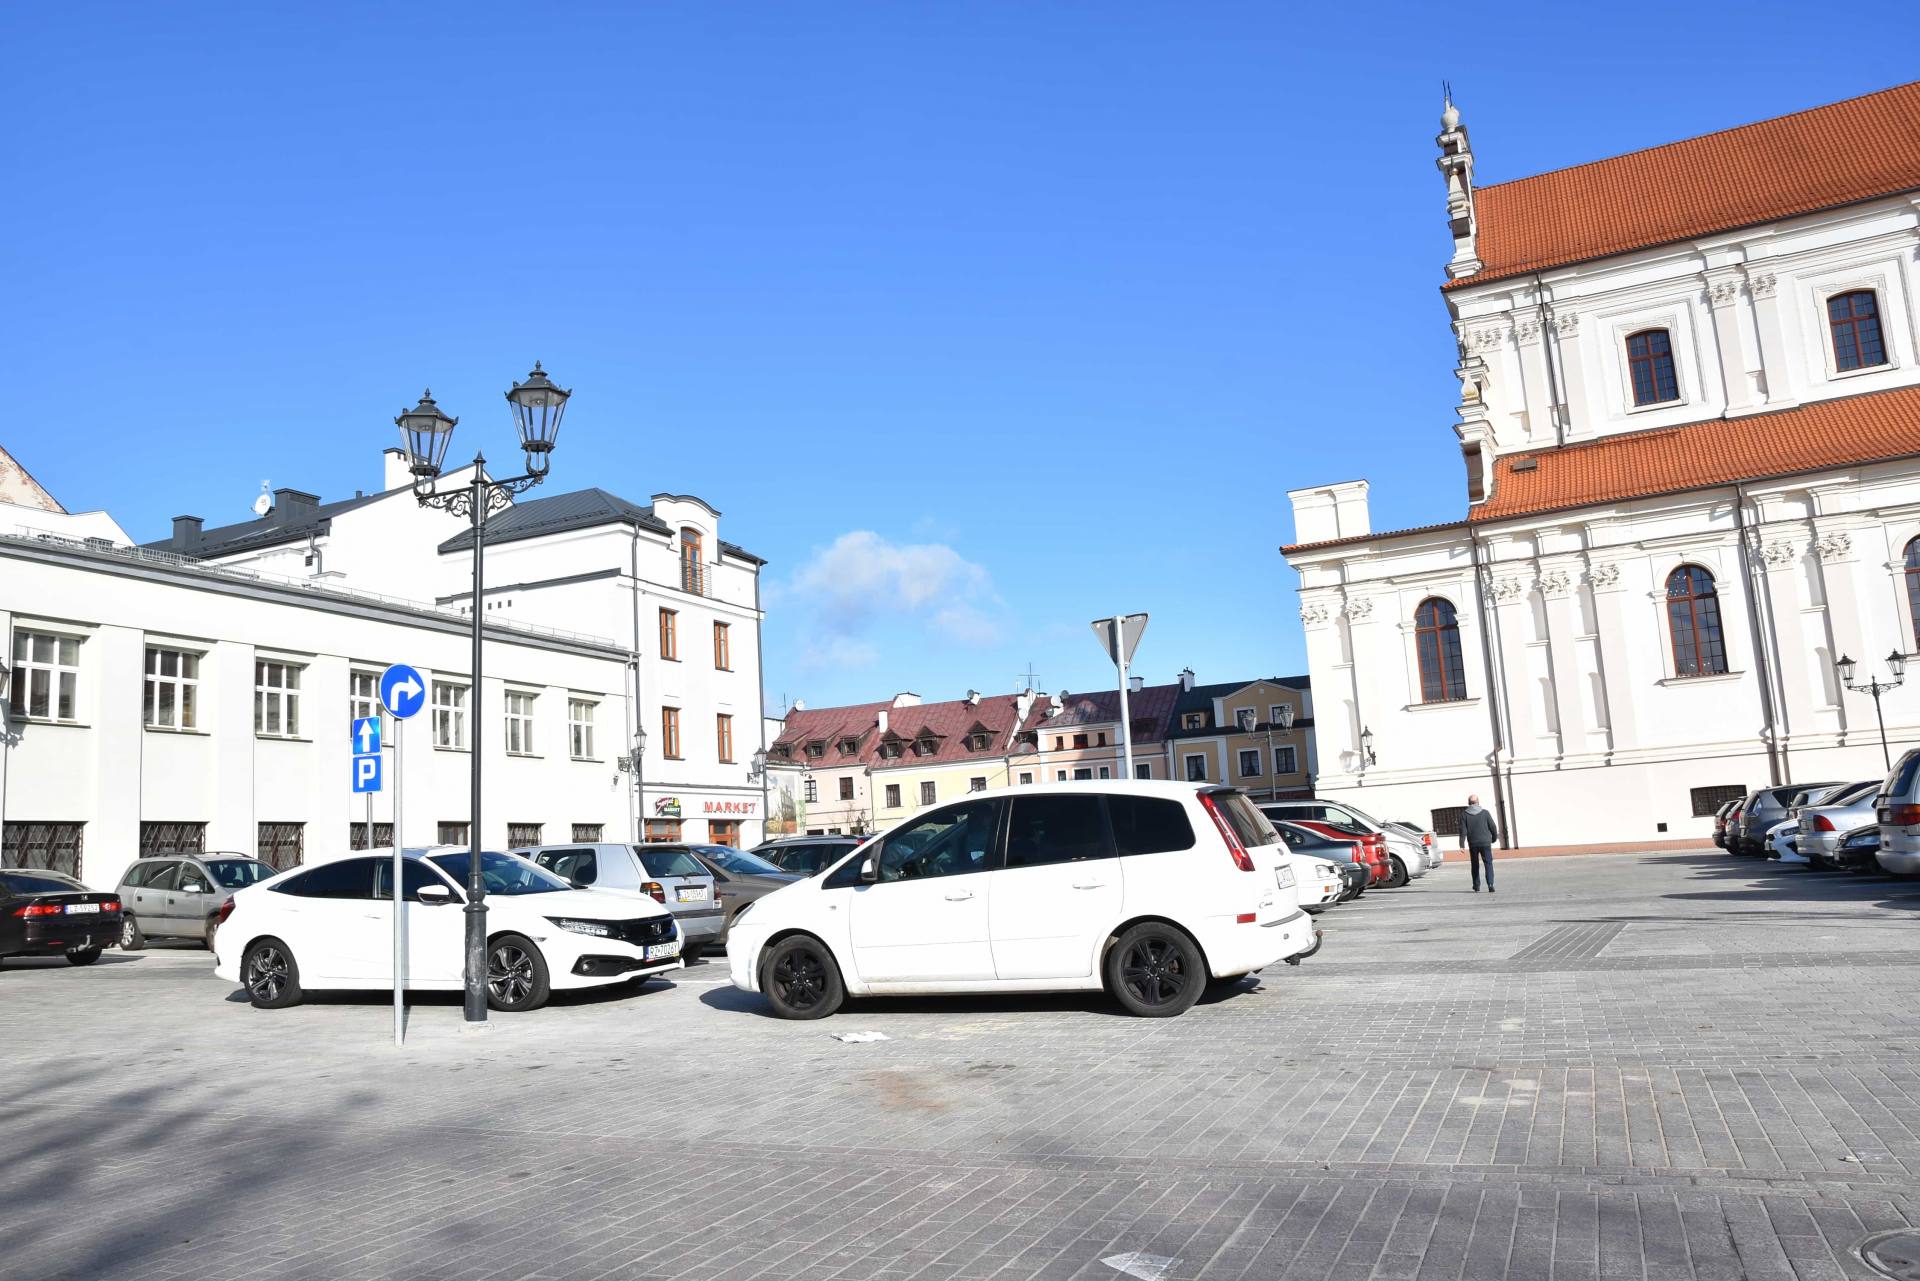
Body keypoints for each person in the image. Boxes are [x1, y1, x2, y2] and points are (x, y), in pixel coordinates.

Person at [1460, 795, 1499, 892]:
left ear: (1469, 803)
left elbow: (1463, 831)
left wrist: (1462, 845)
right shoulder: (1485, 813)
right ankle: (1490, 884)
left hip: (1473, 843)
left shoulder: (1464, 815)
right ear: (1478, 802)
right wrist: (1494, 838)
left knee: (1475, 864)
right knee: (1488, 863)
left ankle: (1476, 886)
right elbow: (1493, 827)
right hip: (1485, 842)